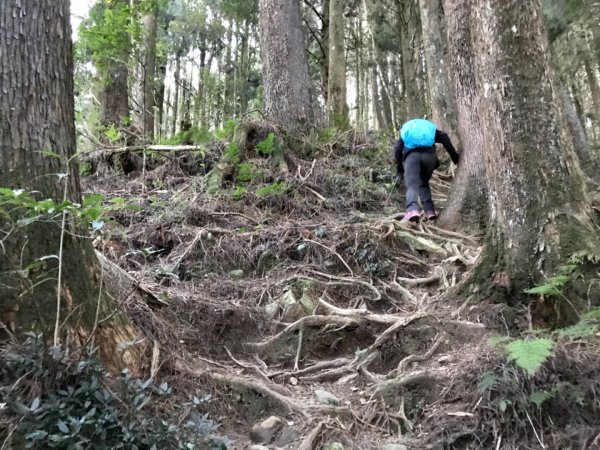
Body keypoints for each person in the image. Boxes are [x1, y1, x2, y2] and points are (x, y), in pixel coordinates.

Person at [394, 118, 459, 222]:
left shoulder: (407, 132)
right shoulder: (429, 130)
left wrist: (400, 169)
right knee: (423, 183)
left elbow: (397, 149)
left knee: (412, 185)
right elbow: (444, 137)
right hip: (429, 157)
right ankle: (429, 211)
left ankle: (412, 210)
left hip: (412, 157)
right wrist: (455, 157)